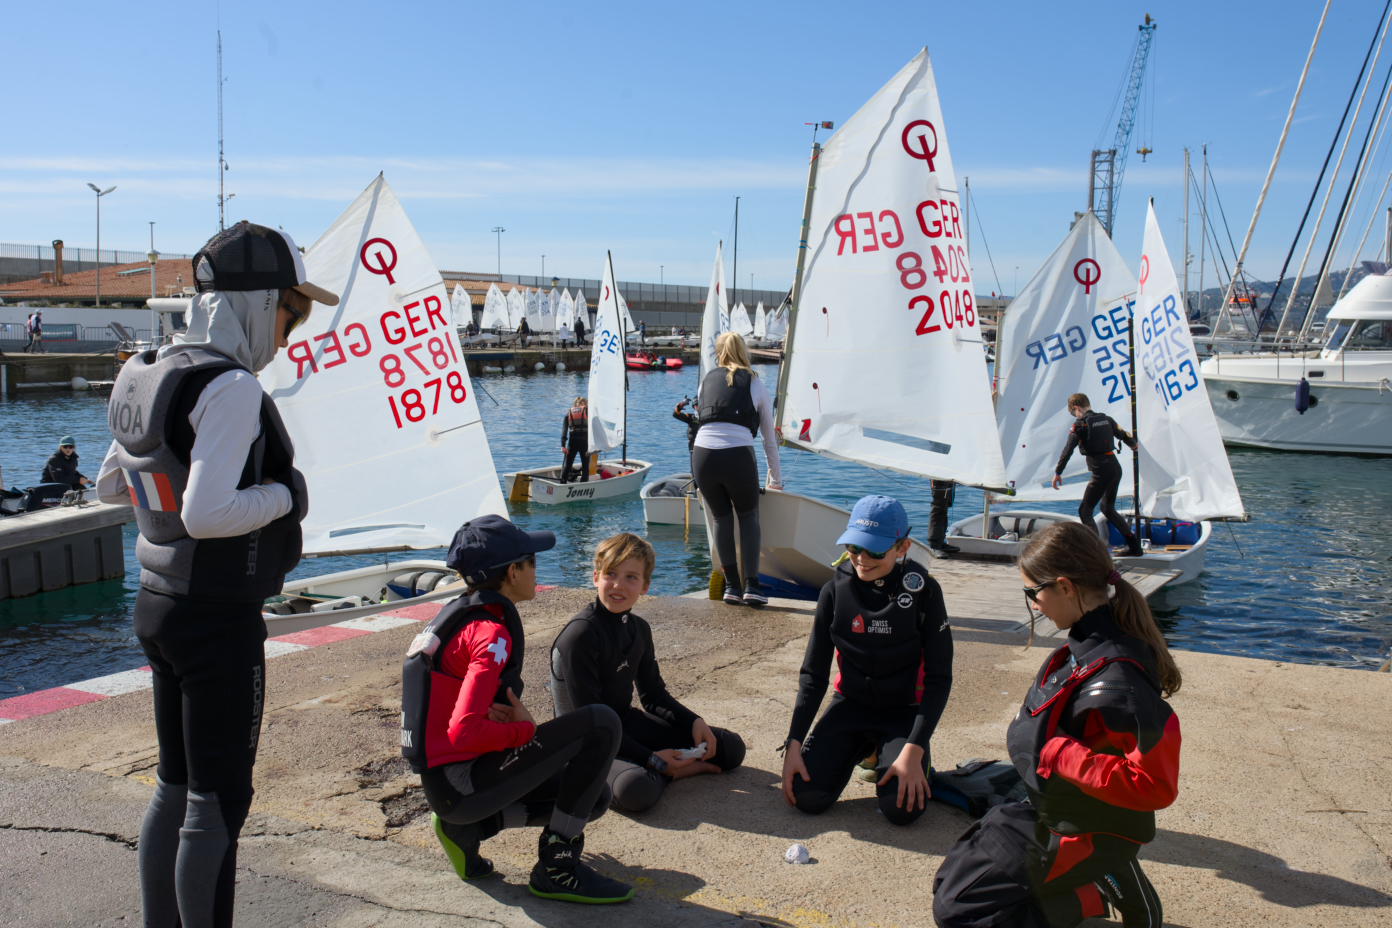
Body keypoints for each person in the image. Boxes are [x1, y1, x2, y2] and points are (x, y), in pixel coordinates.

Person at [96, 221, 331, 927]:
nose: (291, 331)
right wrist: (284, 496)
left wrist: (164, 505)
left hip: (158, 606)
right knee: (218, 800)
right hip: (216, 619)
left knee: (174, 786)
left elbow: (113, 485)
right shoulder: (229, 386)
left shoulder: (154, 368)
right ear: (259, 302)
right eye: (292, 310)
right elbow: (207, 513)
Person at [931, 520, 1178, 927]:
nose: (1032, 603)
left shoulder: (1120, 679)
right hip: (1054, 810)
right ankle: (1088, 879)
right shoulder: (1083, 646)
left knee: (957, 914)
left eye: (1032, 592)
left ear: (1065, 587)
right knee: (948, 883)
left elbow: (1155, 785)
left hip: (1086, 831)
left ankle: (1092, 890)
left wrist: (1058, 752)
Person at [404, 515, 633, 904]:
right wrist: (524, 731)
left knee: (593, 797)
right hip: (463, 784)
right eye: (531, 561)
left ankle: (470, 830)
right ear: (513, 572)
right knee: (602, 723)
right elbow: (464, 731)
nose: (534, 569)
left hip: (448, 788)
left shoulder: (466, 617)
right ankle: (557, 868)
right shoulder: (490, 634)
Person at [780, 495, 952, 825]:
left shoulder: (925, 594)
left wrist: (915, 748)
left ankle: (888, 751)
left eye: (876, 551)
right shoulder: (834, 592)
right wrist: (793, 744)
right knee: (806, 796)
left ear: (902, 547)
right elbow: (813, 674)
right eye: (855, 547)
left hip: (903, 711)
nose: (862, 559)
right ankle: (866, 750)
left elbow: (939, 678)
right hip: (850, 704)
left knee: (902, 811)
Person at [550, 533, 746, 813]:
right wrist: (652, 759)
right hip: (585, 743)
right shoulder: (581, 635)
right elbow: (591, 722)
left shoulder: (639, 629)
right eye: (611, 574)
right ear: (595, 577)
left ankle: (663, 771)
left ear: (645, 586)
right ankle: (670, 772)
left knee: (729, 748)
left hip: (626, 724)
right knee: (636, 790)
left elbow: (652, 695)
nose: (618, 585)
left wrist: (694, 722)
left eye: (631, 577)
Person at [692, 332, 782, 607]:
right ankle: (752, 586)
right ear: (744, 352)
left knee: (721, 519)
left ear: (718, 356)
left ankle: (731, 587)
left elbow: (704, 422)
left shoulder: (705, 382)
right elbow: (769, 439)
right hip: (737, 457)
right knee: (748, 516)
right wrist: (775, 479)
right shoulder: (756, 383)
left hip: (702, 456)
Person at [1052, 393, 1142, 558]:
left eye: (1073, 413)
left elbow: (1068, 449)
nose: (1074, 416)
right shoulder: (1107, 419)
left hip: (1101, 471)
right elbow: (1124, 435)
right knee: (1107, 508)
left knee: (1085, 511)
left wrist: (1058, 472)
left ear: (1076, 408)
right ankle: (1135, 547)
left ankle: (1096, 554)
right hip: (1115, 468)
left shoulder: (1080, 424)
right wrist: (1134, 445)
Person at [560, 397, 589, 484]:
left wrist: (563, 446)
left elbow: (564, 431)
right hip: (584, 442)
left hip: (572, 442)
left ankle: (562, 483)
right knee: (585, 467)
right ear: (583, 403)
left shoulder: (568, 413)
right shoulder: (588, 412)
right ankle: (583, 486)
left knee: (567, 466)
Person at [927, 480, 960, 556]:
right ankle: (934, 545)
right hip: (939, 478)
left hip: (949, 477)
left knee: (945, 506)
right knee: (938, 508)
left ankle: (940, 542)